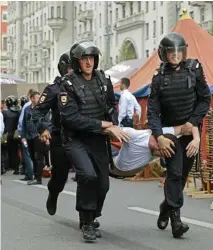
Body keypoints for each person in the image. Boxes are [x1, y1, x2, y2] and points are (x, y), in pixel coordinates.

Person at [58, 39, 129, 242]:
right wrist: (103, 125)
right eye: (84, 59)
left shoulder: (102, 80)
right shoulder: (68, 84)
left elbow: (111, 107)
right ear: (76, 61)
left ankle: (90, 214)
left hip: (98, 139)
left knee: (103, 184)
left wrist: (113, 125)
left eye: (91, 58)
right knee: (88, 176)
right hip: (76, 140)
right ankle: (87, 222)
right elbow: (70, 118)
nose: (89, 62)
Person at [147, 32, 211, 238]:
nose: (175, 55)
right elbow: (152, 112)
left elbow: (205, 100)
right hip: (169, 134)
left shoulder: (195, 70)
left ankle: (166, 207)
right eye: (171, 52)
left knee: (182, 177)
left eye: (178, 51)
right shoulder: (158, 79)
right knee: (174, 174)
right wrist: (159, 136)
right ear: (164, 54)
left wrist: (192, 123)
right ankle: (176, 220)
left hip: (190, 132)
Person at [31, 51, 74, 216]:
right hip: (60, 137)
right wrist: (44, 127)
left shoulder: (85, 85)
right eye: (69, 67)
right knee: (60, 176)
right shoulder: (54, 89)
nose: (72, 71)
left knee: (89, 176)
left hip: (83, 137)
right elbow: (37, 112)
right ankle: (53, 193)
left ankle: (87, 216)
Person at [110, 125, 200, 177]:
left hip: (127, 171)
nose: (161, 156)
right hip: (112, 165)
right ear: (158, 145)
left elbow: (189, 126)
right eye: (162, 152)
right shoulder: (135, 135)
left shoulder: (165, 133)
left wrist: (196, 139)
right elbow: (112, 129)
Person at [22, 91, 49, 185]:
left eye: (39, 97)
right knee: (32, 156)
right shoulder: (27, 109)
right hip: (29, 136)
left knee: (39, 157)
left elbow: (47, 122)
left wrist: (46, 134)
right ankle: (35, 175)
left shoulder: (42, 109)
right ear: (32, 98)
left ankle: (38, 178)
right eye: (37, 97)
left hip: (38, 135)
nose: (38, 99)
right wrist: (23, 136)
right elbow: (24, 123)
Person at [2, 95, 21, 174]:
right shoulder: (19, 112)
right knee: (15, 150)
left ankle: (5, 167)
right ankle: (16, 168)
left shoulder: (4, 113)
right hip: (16, 134)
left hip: (6, 134)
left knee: (4, 151)